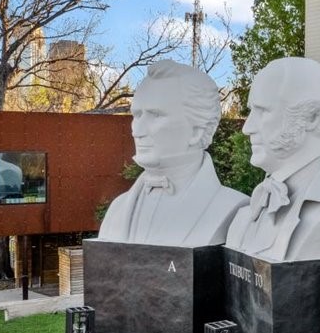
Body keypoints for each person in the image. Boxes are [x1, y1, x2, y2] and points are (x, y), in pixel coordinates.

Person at [225, 58, 320, 261]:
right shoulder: (246, 214)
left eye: (262, 111)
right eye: (250, 111)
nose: (247, 128)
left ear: (313, 118)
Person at [98, 60, 247, 247]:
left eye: (155, 115)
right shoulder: (118, 209)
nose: (137, 130)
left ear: (198, 130)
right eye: (137, 115)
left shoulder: (235, 210)